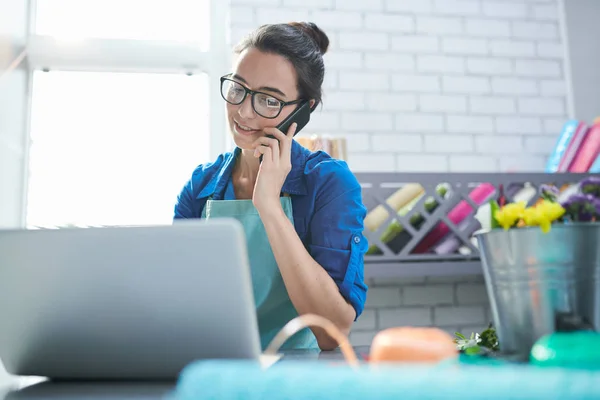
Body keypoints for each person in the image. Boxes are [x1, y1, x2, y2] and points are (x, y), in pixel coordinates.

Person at [173, 21, 368, 351]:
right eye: (238, 89)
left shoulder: (330, 184)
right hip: (215, 367)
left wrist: (269, 207)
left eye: (269, 100)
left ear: (303, 111)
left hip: (295, 379)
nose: (244, 111)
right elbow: (175, 297)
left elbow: (332, 331)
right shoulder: (201, 184)